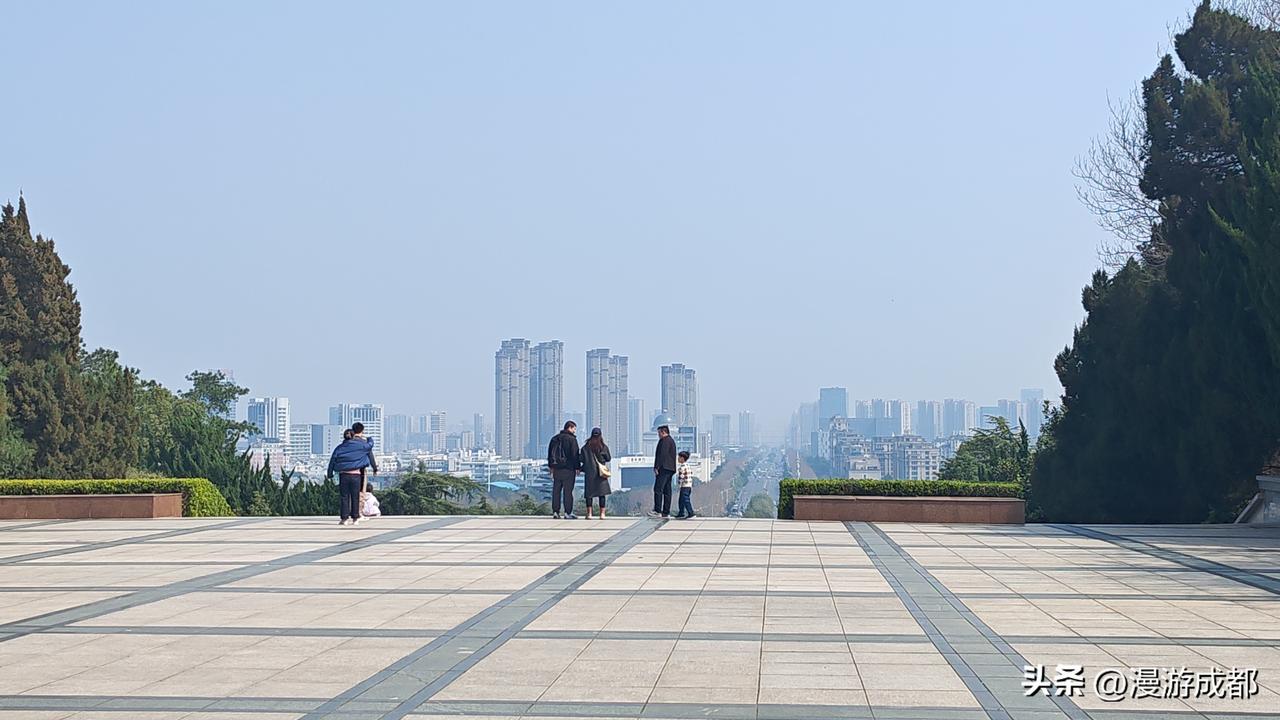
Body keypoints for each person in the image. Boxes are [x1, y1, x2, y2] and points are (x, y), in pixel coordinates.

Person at [326, 422, 378, 526]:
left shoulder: (340, 447)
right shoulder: (362, 445)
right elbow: (370, 447)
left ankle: (344, 518)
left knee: (344, 497)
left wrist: (330, 473)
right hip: (356, 475)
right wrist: (370, 439)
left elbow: (332, 460)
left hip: (343, 475)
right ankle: (355, 518)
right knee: (355, 497)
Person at [546, 421, 581, 519]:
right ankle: (567, 512)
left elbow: (550, 454)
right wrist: (577, 467)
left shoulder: (555, 439)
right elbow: (575, 455)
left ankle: (555, 512)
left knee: (556, 491)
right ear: (569, 428)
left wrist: (551, 467)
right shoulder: (572, 440)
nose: (574, 431)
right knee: (568, 492)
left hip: (557, 469)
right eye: (574, 428)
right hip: (568, 469)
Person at [580, 427, 612, 520]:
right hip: (600, 473)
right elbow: (608, 458)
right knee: (602, 494)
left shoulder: (586, 447)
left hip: (589, 473)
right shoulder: (603, 447)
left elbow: (581, 459)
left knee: (589, 494)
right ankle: (602, 514)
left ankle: (589, 513)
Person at [650, 424, 677, 517]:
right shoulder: (671, 441)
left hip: (664, 468)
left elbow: (662, 455)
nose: (658, 435)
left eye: (659, 433)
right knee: (667, 490)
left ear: (663, 432)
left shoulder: (664, 441)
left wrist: (657, 467)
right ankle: (666, 511)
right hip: (670, 468)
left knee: (658, 489)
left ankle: (657, 510)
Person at [674, 451, 695, 519]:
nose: (678, 459)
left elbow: (681, 477)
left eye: (679, 457)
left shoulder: (682, 467)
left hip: (684, 486)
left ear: (682, 458)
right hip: (689, 485)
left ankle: (690, 512)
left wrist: (679, 485)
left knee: (685, 500)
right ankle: (681, 512)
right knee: (682, 500)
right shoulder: (688, 466)